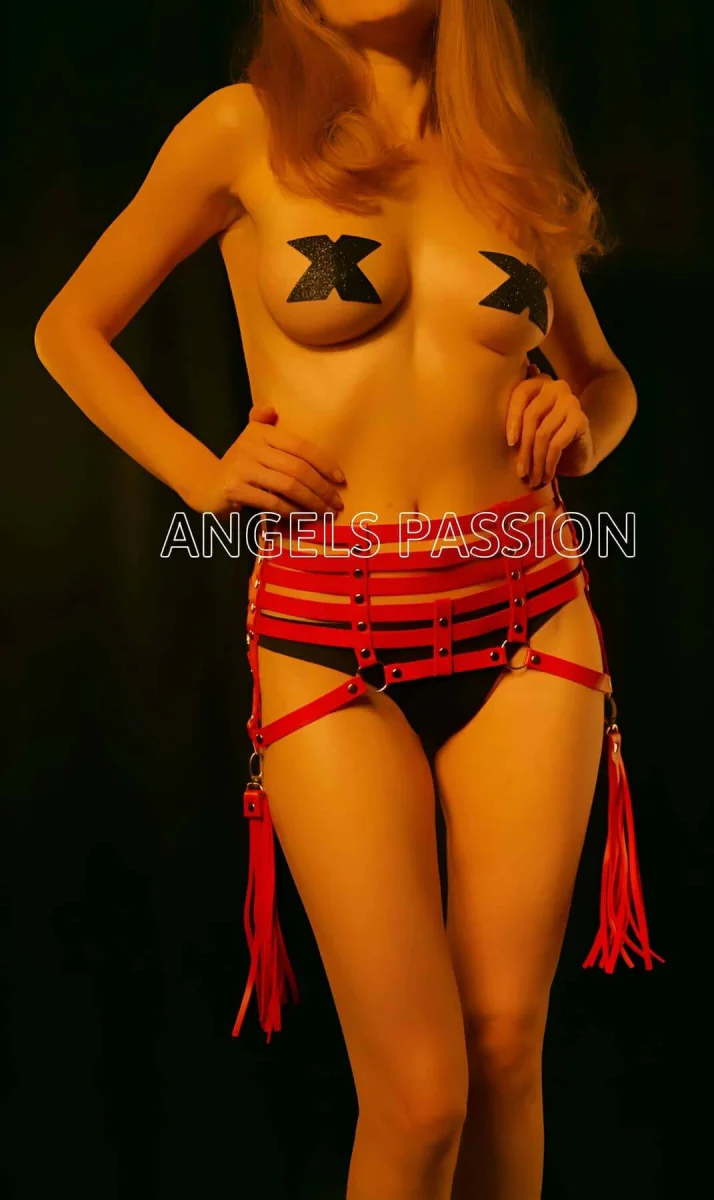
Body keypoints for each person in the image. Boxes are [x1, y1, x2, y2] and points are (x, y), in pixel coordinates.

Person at [33, 1, 661, 1197]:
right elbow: (69, 329)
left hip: (528, 616)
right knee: (419, 1099)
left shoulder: (507, 146)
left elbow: (602, 378)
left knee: (504, 1051)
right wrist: (201, 474)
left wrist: (582, 422)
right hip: (331, 628)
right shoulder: (244, 129)